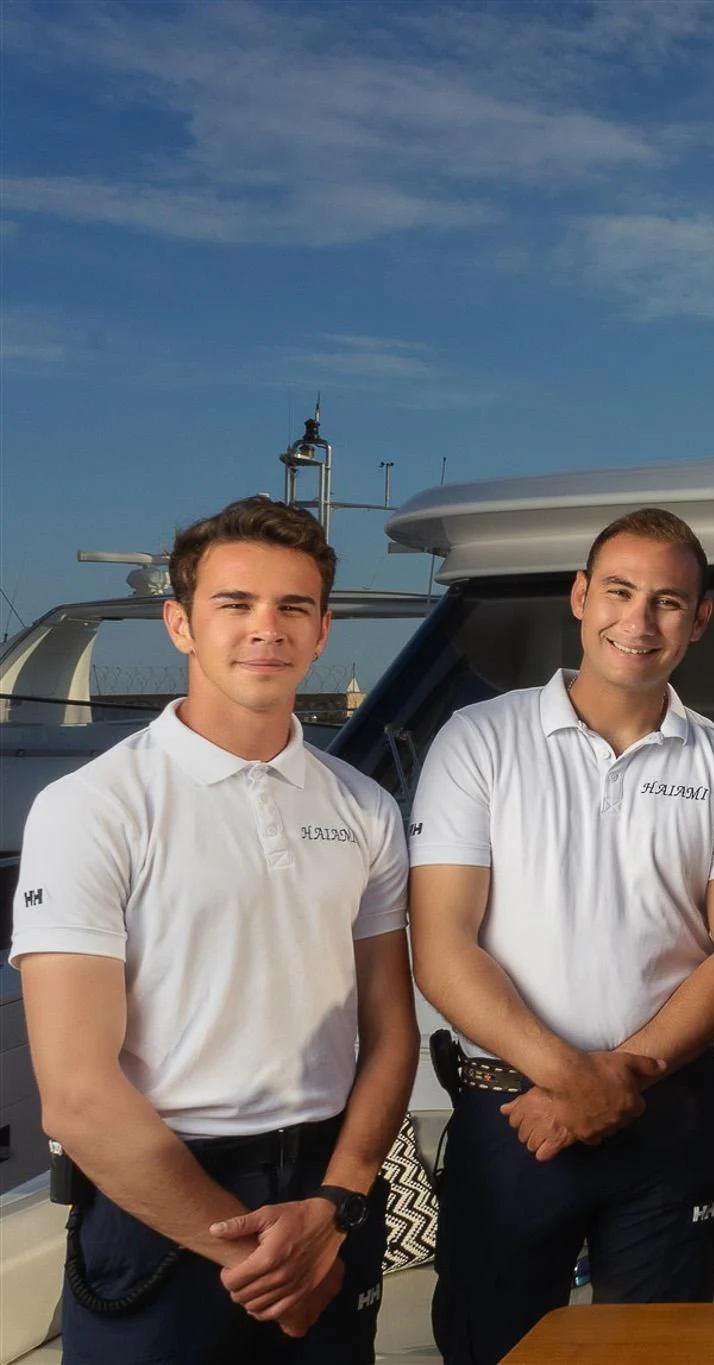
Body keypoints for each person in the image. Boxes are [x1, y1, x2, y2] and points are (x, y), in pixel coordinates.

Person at [10, 497, 415, 1363]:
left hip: (328, 1194)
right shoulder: (93, 809)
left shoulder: (365, 808)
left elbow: (389, 1033)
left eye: (292, 608)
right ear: (179, 624)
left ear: (319, 629)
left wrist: (333, 1207)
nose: (266, 629)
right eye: (235, 604)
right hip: (158, 1199)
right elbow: (77, 1091)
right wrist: (263, 1258)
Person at [408, 508, 714, 1364]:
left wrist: (617, 1077)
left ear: (699, 619)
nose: (638, 622)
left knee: (658, 1357)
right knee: (493, 1351)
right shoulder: (480, 740)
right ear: (579, 596)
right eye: (620, 592)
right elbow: (442, 946)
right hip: (513, 1113)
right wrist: (569, 1078)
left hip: (668, 1114)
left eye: (668, 601)